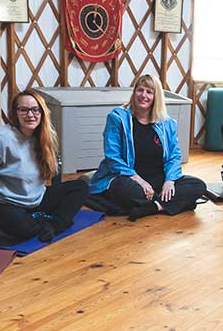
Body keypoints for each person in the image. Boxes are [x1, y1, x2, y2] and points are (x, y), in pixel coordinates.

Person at [0, 90, 89, 242]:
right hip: (6, 202)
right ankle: (50, 224)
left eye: (35, 109)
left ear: (42, 112)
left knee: (80, 187)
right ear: (15, 113)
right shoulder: (2, 139)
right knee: (21, 226)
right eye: (23, 110)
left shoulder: (43, 136)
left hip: (36, 197)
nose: (30, 114)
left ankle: (52, 225)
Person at [88, 74, 206, 221]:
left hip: (158, 179)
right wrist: (139, 180)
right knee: (128, 192)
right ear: (134, 92)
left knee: (198, 186)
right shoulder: (118, 118)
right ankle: (175, 203)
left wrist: (169, 180)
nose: (143, 95)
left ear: (156, 97)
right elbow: (113, 157)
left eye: (149, 92)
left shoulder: (166, 124)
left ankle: (153, 207)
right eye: (140, 90)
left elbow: (174, 156)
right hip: (128, 177)